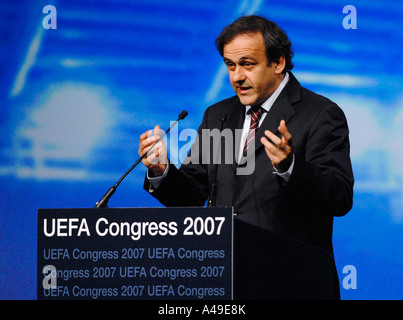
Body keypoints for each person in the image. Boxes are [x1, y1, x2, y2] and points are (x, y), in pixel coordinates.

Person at [138, 15, 354, 298]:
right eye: (230, 65)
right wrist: (160, 170)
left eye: (247, 64)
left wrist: (290, 167)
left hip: (291, 286)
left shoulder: (320, 114)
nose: (237, 76)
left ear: (278, 63)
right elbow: (190, 197)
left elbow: (339, 197)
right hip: (224, 282)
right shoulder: (218, 116)